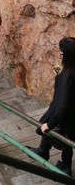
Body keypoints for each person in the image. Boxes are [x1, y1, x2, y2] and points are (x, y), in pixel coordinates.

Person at [31, 36, 75, 175]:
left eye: (61, 52)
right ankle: (52, 156)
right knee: (69, 134)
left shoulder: (67, 75)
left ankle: (63, 164)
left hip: (66, 115)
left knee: (57, 132)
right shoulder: (68, 72)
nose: (60, 55)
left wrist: (50, 124)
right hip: (73, 114)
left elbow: (62, 104)